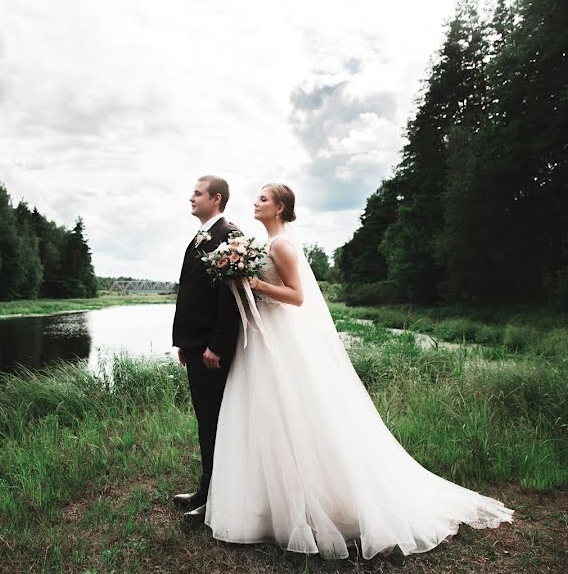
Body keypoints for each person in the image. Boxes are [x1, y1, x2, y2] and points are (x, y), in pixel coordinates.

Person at [203, 183, 514, 559]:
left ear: (281, 207)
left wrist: (255, 283)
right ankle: (267, 506)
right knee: (265, 416)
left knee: (294, 412)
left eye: (264, 199)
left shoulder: (282, 245)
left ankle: (316, 504)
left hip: (282, 340)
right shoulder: (264, 245)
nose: (256, 202)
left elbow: (298, 296)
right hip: (263, 340)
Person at [171, 175, 242, 519]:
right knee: (206, 421)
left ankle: (214, 497)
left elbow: (231, 298)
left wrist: (216, 344)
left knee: (215, 421)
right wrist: (183, 342)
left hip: (212, 350)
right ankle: (207, 489)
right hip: (196, 344)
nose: (191, 198)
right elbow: (190, 293)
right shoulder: (201, 237)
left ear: (216, 199)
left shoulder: (228, 236)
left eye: (197, 193)